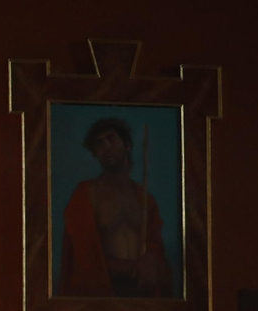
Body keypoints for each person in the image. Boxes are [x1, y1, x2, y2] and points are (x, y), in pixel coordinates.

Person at [59, 116, 173, 298]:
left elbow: (155, 244)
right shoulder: (85, 195)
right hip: (101, 295)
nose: (105, 147)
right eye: (99, 144)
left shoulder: (145, 199)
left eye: (111, 139)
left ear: (127, 145)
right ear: (94, 154)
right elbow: (85, 255)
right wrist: (133, 267)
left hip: (142, 296)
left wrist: (151, 257)